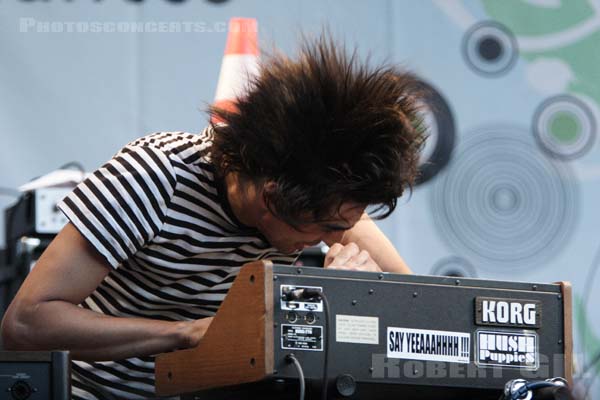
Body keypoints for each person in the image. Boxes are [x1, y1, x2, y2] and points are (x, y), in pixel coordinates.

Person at [1, 35, 424, 399]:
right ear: (270, 197)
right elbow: (26, 322)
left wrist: (364, 294)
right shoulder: (154, 178)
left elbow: (422, 308)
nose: (345, 236)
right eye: (331, 228)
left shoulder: (320, 198)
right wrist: (190, 334)